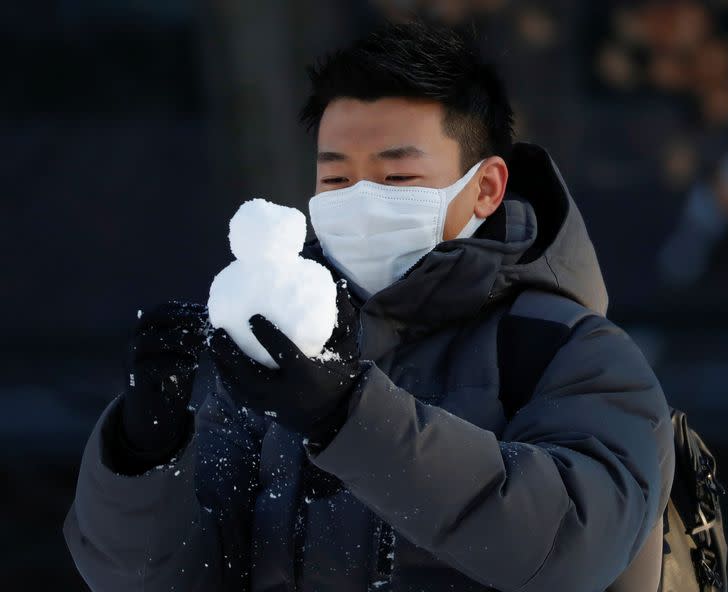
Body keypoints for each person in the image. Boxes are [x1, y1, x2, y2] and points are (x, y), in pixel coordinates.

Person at [64, 21, 675, 592]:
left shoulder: (573, 353)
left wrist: (350, 418)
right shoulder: (278, 353)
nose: (358, 203)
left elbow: (573, 545)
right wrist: (145, 455)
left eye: (396, 179)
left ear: (486, 187)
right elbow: (156, 579)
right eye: (334, 181)